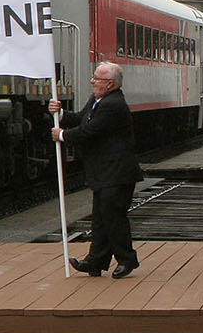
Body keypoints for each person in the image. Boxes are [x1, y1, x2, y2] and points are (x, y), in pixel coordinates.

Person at [49, 61, 143, 279]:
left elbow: (89, 131)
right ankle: (96, 261)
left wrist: (62, 135)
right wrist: (60, 113)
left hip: (117, 172)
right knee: (101, 218)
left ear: (109, 83)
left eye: (97, 78)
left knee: (114, 217)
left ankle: (127, 259)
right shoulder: (98, 100)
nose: (92, 81)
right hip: (105, 172)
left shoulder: (113, 104)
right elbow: (81, 119)